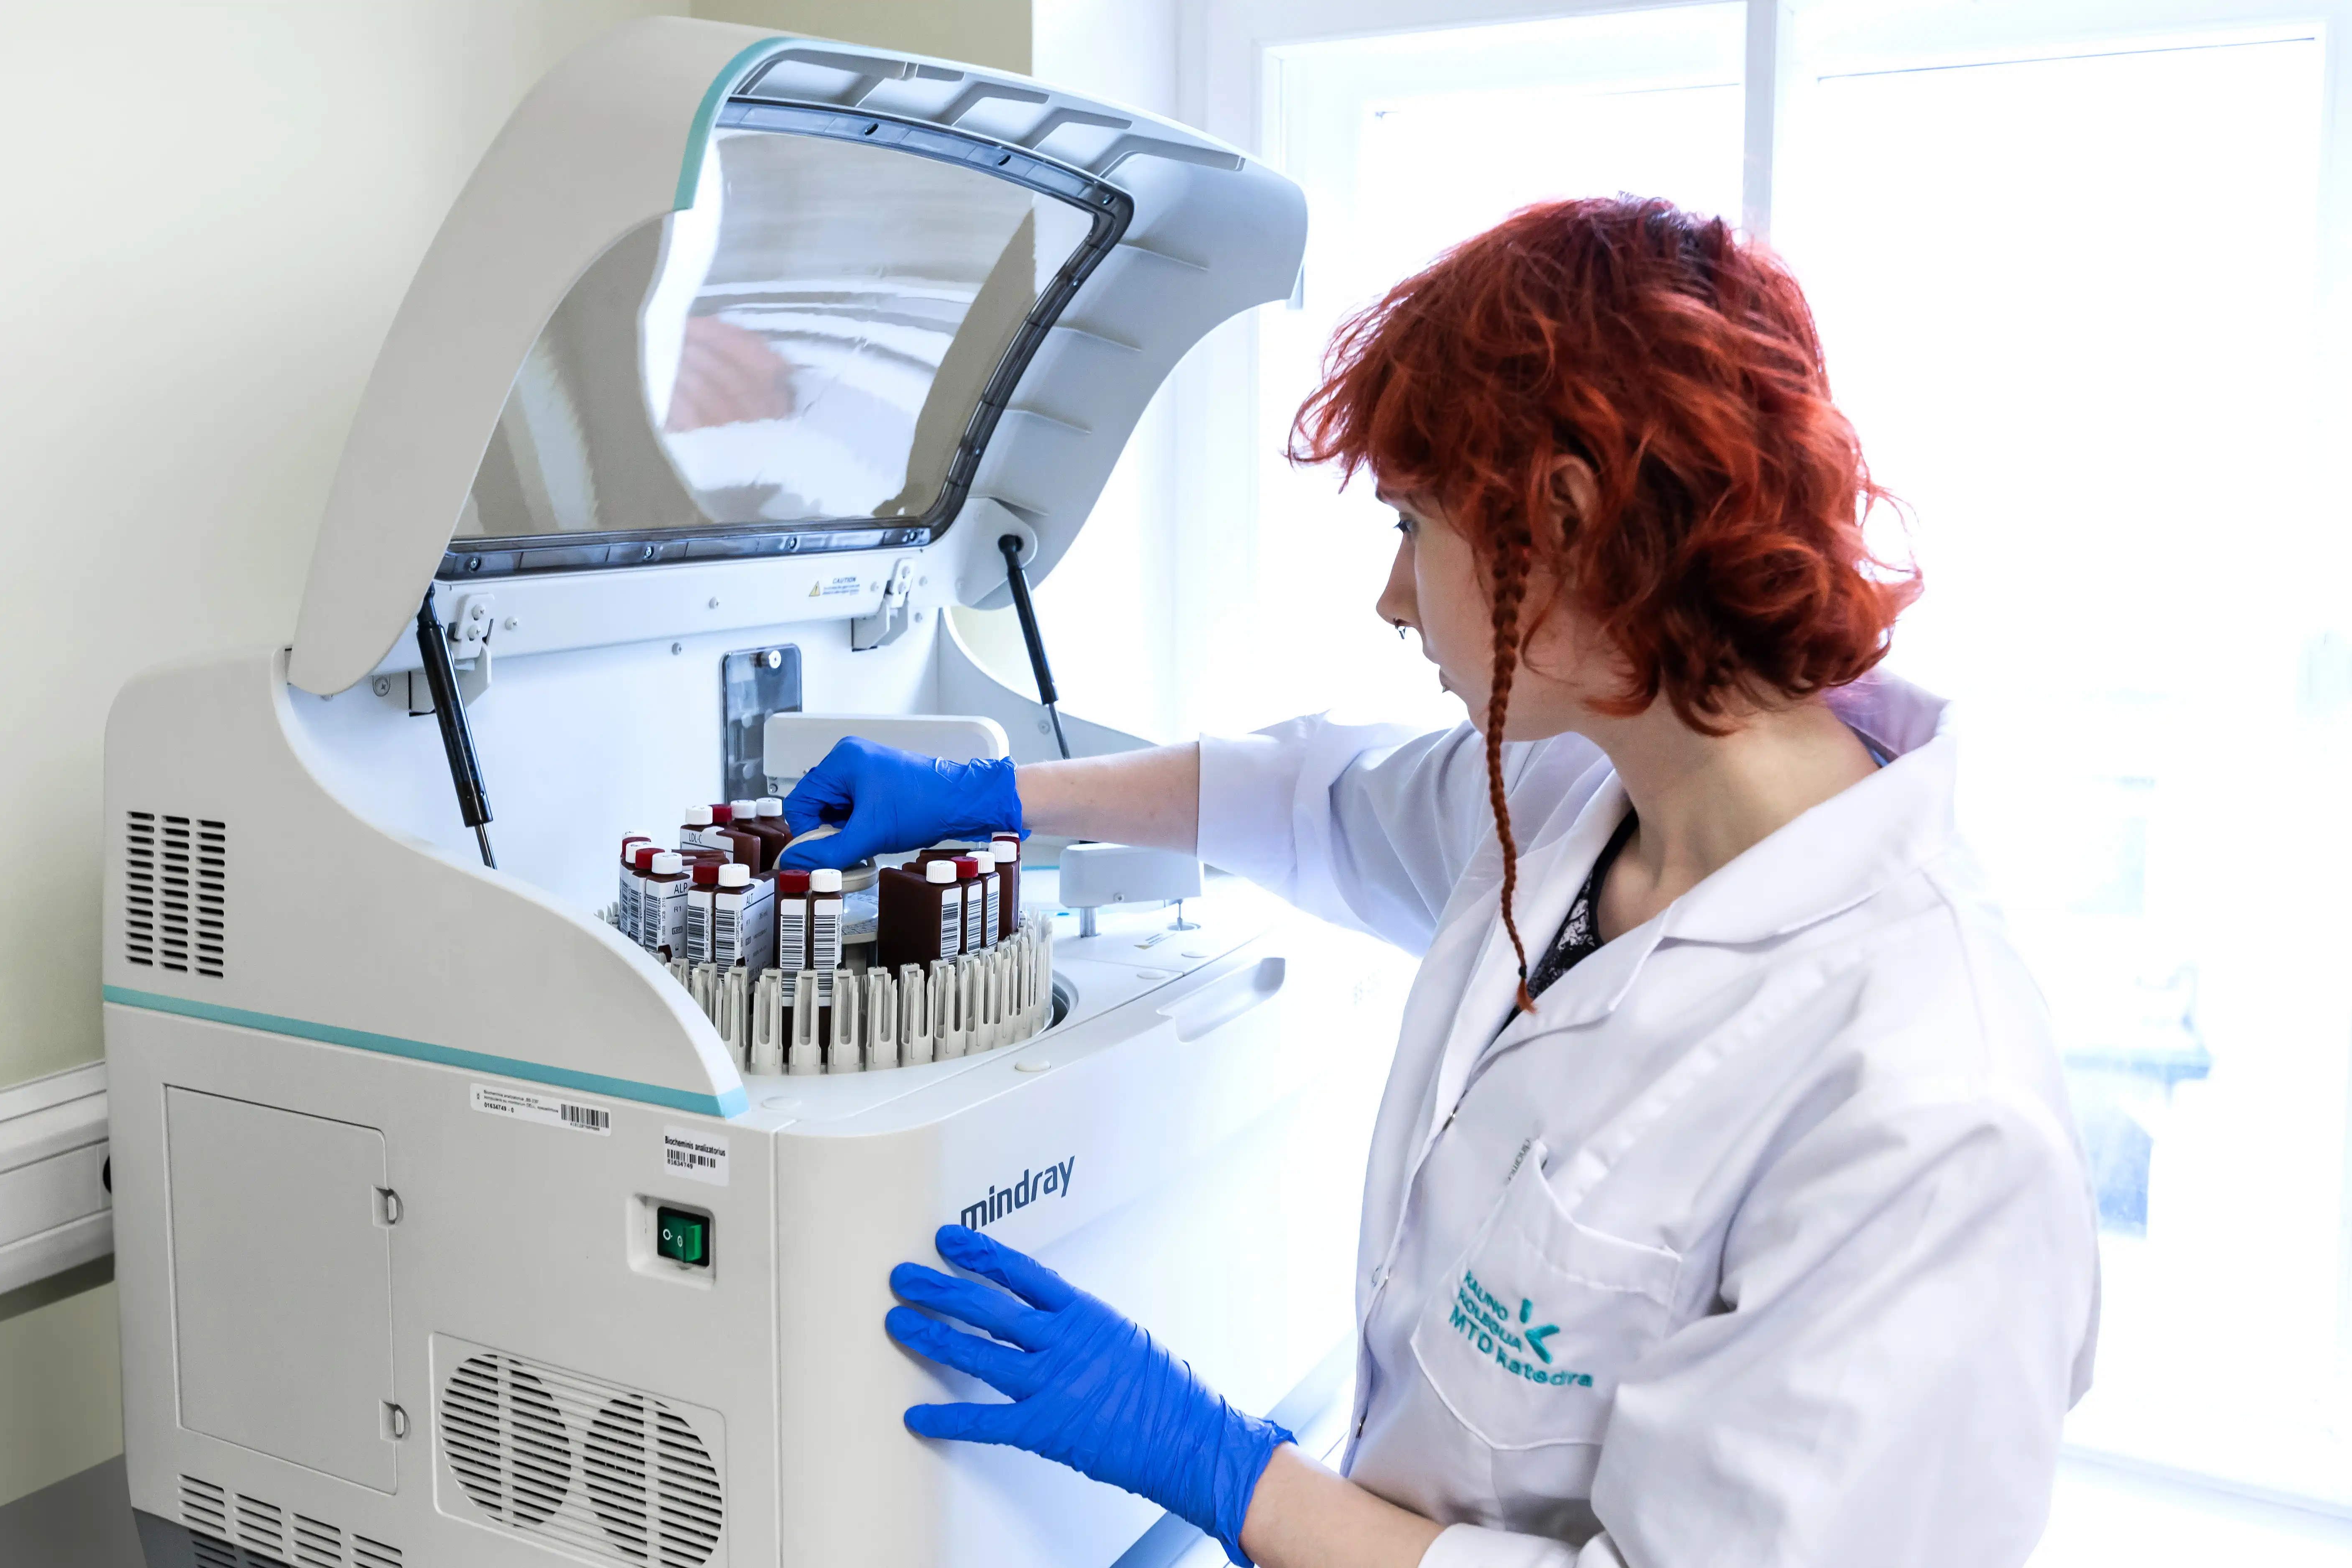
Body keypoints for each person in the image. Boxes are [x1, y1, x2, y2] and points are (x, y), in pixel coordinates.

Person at [779, 197, 2100, 1568]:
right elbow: (1307, 798)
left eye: (1413, 525)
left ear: (1568, 522)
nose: (1393, 597)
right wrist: (998, 799)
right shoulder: (1591, 797)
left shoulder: (1932, 1115)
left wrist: (1226, 1471)